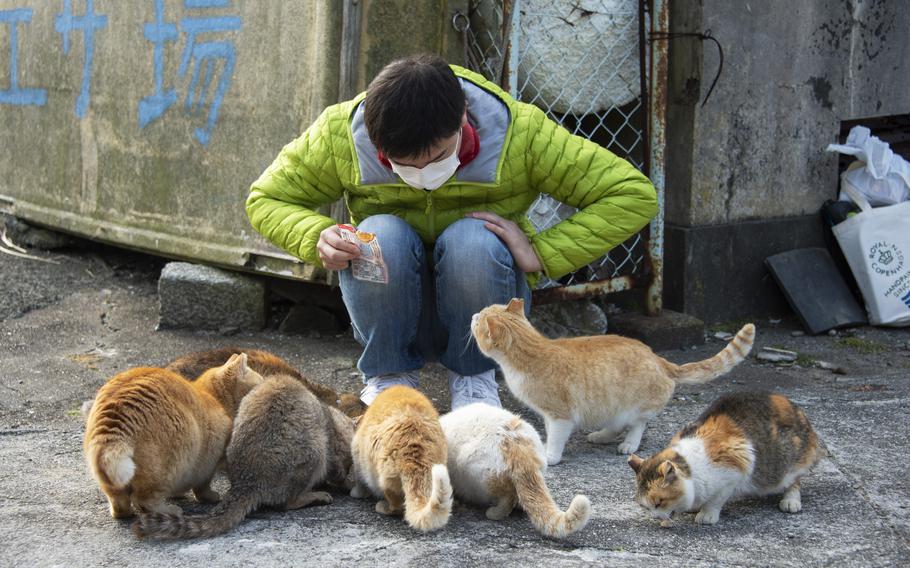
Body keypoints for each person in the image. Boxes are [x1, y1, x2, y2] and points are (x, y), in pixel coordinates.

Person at [246, 54, 657, 410]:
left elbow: (632, 194)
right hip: (389, 311)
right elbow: (265, 198)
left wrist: (542, 253)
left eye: (438, 157)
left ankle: (476, 381)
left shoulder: (519, 132)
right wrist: (318, 234)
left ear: (462, 117)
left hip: (483, 313)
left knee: (473, 240)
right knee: (377, 234)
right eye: (399, 163)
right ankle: (388, 379)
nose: (421, 175)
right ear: (374, 140)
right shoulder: (341, 133)